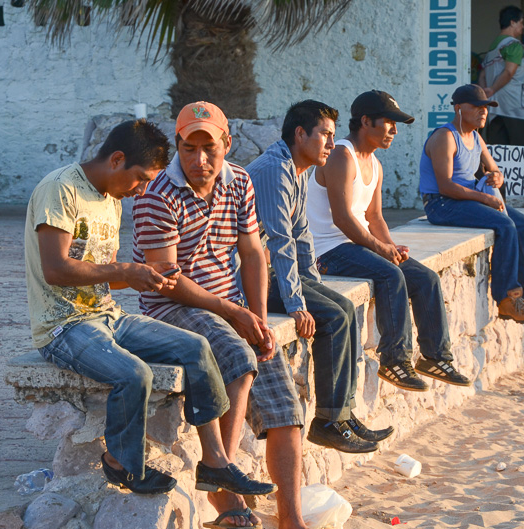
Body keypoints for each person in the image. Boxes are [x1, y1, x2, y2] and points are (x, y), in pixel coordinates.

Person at [24, 119, 276, 502]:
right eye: (140, 179)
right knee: (134, 374)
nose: (141, 190)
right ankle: (120, 461)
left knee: (196, 347)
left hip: (106, 316)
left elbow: (102, 275)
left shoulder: (111, 197)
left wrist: (145, 277)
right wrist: (126, 270)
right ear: (117, 159)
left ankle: (215, 460)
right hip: (62, 326)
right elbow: (56, 269)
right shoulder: (61, 189)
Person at [132, 102, 308, 529]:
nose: (199, 159)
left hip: (230, 305)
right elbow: (166, 279)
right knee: (237, 356)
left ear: (226, 144)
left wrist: (258, 320)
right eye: (189, 148)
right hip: (173, 307)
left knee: (286, 411)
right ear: (177, 145)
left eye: (209, 148)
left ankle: (291, 519)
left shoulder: (240, 181)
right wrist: (233, 313)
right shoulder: (157, 195)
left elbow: (253, 253)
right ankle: (222, 484)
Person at [247, 100, 394, 456]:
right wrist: (297, 304)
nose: (331, 143)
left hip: (268, 271)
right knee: (331, 317)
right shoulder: (276, 170)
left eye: (332, 135)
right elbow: (280, 241)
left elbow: (301, 235)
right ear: (300, 134)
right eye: (325, 135)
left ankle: (343, 415)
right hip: (244, 279)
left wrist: (313, 286)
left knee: (343, 307)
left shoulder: (298, 169)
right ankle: (328, 422)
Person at [308, 90, 471, 392]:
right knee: (391, 275)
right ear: (365, 121)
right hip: (327, 251)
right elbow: (342, 219)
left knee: (425, 278)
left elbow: (375, 217)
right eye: (389, 123)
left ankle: (435, 357)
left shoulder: (375, 165)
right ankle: (394, 361)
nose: (394, 131)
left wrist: (391, 247)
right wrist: (380, 249)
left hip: (354, 246)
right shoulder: (341, 155)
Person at [420, 84, 524, 325]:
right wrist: (485, 198)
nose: (483, 111)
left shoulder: (476, 137)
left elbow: (495, 169)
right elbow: (445, 186)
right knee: (505, 226)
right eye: (477, 106)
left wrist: (497, 177)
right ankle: (507, 299)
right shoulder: (445, 137)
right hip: (441, 204)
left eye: (486, 107)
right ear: (458, 108)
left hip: (467, 200)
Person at [479, 5, 524, 146]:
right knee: (521, 151)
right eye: (521, 22)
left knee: (498, 151)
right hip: (515, 107)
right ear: (512, 22)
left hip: (495, 109)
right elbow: (509, 72)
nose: (523, 26)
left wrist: (486, 94)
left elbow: (482, 76)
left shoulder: (493, 48)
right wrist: (493, 89)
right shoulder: (514, 46)